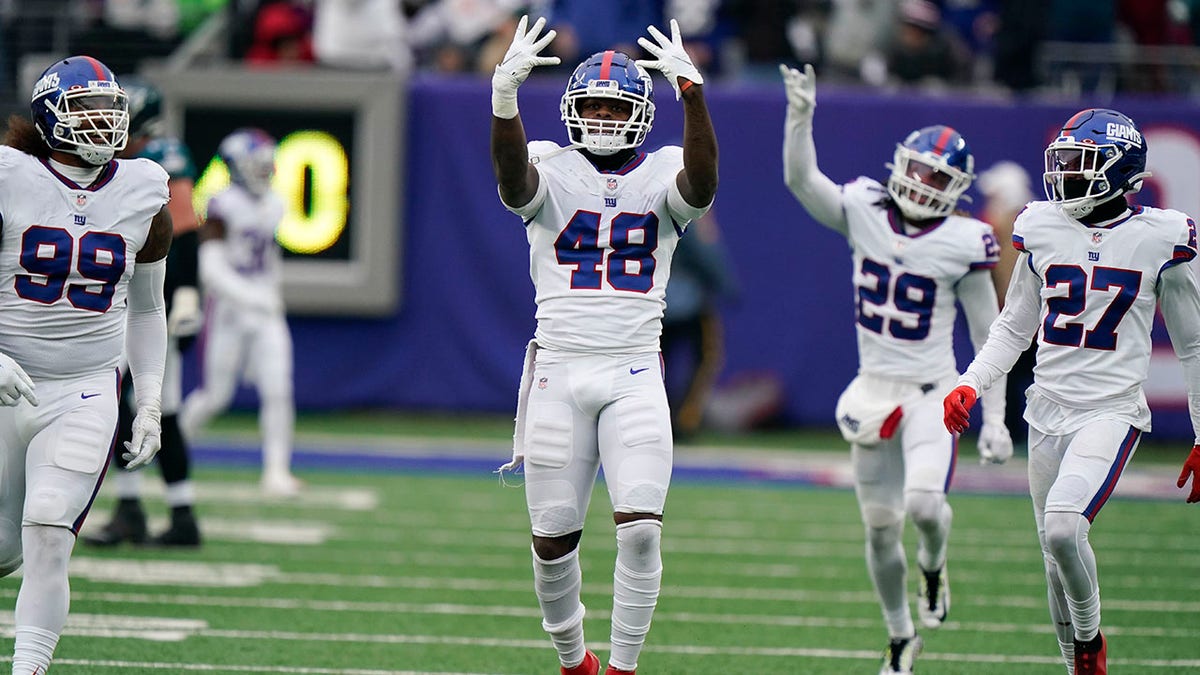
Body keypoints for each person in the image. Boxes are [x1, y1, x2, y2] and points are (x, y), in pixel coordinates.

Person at [491, 15, 718, 675]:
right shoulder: (547, 167)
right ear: (569, 110)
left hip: (633, 373)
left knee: (642, 527)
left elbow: (701, 187)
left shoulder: (666, 171)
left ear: (643, 114)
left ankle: (622, 667)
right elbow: (512, 183)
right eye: (590, 104)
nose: (601, 115)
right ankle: (574, 661)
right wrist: (503, 100)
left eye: (615, 106)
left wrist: (694, 95)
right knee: (551, 540)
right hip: (559, 372)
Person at [943, 107, 1200, 675]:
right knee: (1053, 559)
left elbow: (1194, 346)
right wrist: (970, 382)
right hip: (1045, 410)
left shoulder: (1161, 236)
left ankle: (1090, 644)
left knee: (1064, 528)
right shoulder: (1041, 224)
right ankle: (1075, 666)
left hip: (1110, 411)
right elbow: (1013, 327)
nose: (1064, 175)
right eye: (1061, 162)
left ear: (1119, 168)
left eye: (1078, 164)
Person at [779, 63, 1011, 675]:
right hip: (873, 391)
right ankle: (901, 636)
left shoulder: (966, 240)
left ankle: (934, 567)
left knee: (926, 507)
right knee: (881, 531)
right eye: (918, 167)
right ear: (899, 164)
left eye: (938, 175)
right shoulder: (862, 207)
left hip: (933, 393)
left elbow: (992, 334)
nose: (923, 181)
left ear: (958, 186)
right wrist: (800, 116)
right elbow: (802, 182)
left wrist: (995, 417)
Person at [0, 55, 171, 674]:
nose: (102, 123)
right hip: (3, 384)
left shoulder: (144, 186)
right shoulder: (8, 174)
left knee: (48, 534)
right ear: (49, 116)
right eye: (85, 109)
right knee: (2, 548)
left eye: (109, 109)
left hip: (83, 388)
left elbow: (149, 311)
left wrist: (148, 397)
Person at [84, 75, 205, 548]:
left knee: (159, 407)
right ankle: (138, 508)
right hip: (117, 297)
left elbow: (186, 227)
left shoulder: (162, 157)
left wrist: (189, 292)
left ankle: (178, 513)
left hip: (153, 300)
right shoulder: (104, 162)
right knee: (116, 403)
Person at [178, 127, 301, 497]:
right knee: (215, 396)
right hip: (229, 311)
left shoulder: (275, 202)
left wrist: (270, 296)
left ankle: (276, 471)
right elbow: (211, 270)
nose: (264, 172)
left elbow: (271, 259)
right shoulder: (221, 203)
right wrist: (254, 298)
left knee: (279, 389)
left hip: (265, 311)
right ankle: (172, 444)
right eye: (256, 165)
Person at [661, 209, 737, 440]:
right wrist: (728, 286)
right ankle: (684, 420)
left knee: (655, 363)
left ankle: (656, 417)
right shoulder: (688, 206)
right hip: (687, 301)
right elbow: (704, 252)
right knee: (706, 357)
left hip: (653, 300)